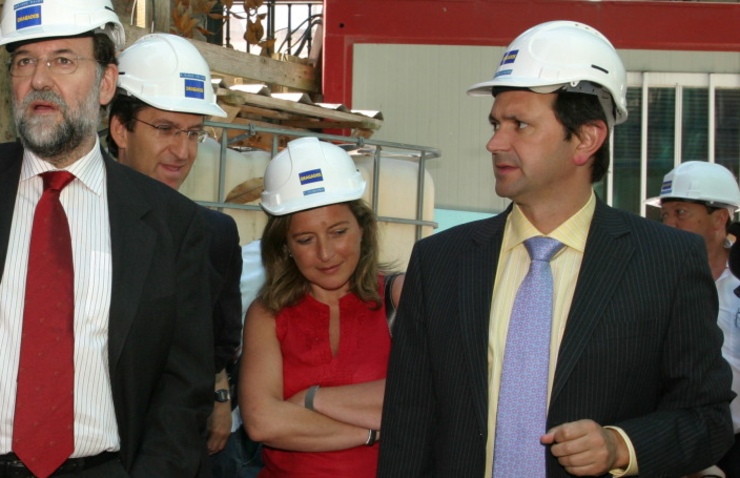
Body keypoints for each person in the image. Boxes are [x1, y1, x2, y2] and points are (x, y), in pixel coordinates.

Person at [377, 20, 734, 478]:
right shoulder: (441, 261)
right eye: (495, 123)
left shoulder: (665, 262)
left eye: (519, 125)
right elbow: (409, 421)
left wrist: (619, 445)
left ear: (586, 138)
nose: (494, 142)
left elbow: (707, 419)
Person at [0, 1, 214, 478]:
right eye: (24, 61)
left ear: (107, 83)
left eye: (63, 60)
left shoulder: (172, 225)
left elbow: (184, 389)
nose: (39, 79)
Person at [104, 33, 253, 478]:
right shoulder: (67, 220)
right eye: (166, 129)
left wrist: (220, 395)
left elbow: (216, 346)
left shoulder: (214, 234)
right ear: (119, 128)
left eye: (193, 132)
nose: (183, 151)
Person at [239, 136, 403, 478]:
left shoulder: (400, 298)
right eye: (305, 239)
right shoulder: (267, 314)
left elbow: (424, 399)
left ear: (362, 228)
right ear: (285, 246)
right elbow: (262, 422)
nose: (326, 254)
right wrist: (371, 432)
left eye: (338, 232)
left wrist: (312, 400)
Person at [647, 161, 740, 478]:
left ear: (719, 218)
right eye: (665, 215)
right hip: (681, 448)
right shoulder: (652, 282)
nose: (668, 224)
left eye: (681, 213)